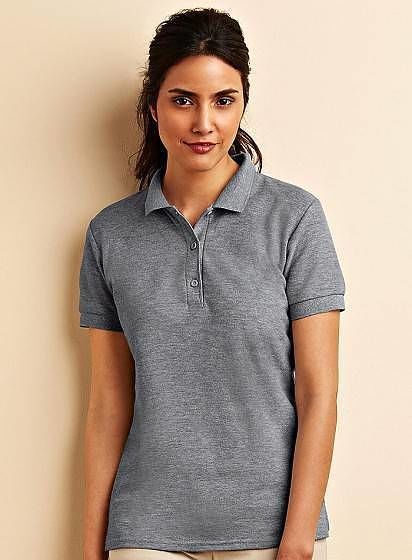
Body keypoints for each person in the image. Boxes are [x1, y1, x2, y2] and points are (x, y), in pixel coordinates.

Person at [79, 7, 346, 560]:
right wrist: (91, 546)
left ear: (243, 104)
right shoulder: (110, 233)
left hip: (268, 527)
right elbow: (108, 401)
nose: (204, 123)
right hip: (145, 525)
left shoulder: (294, 218)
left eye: (223, 101)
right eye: (183, 100)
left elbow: (317, 392)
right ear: (153, 107)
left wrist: (298, 540)